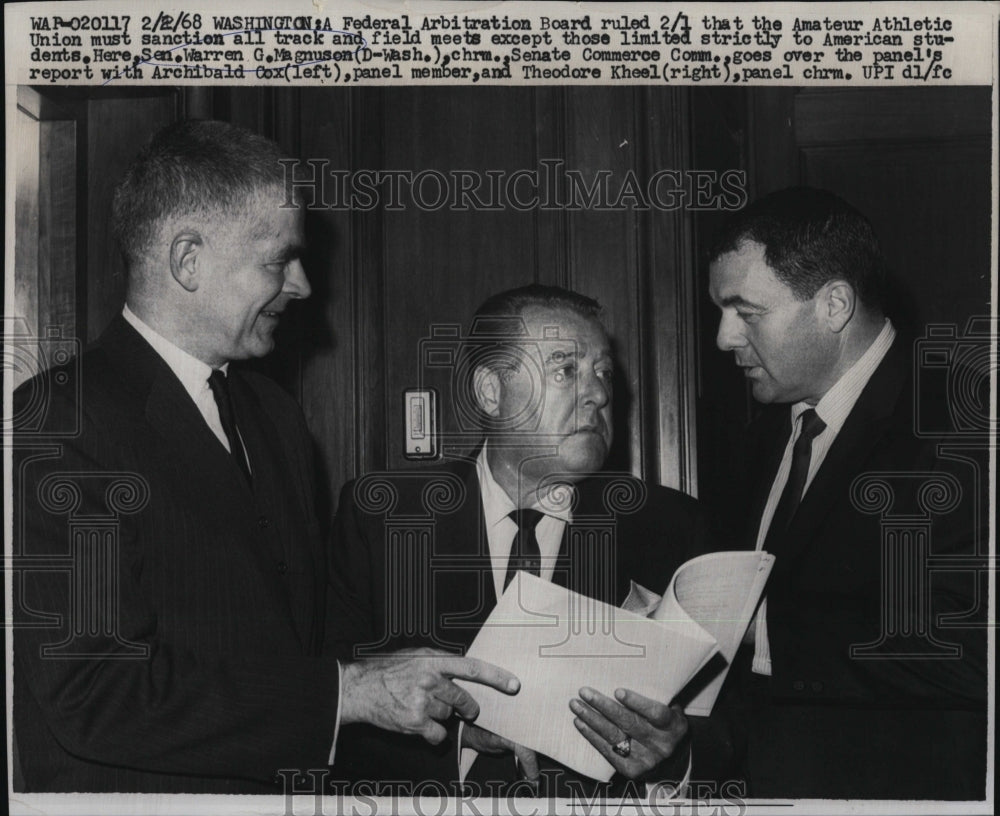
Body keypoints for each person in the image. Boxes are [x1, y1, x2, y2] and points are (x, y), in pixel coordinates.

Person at [12, 120, 520, 793]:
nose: (303, 285)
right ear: (187, 260)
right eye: (278, 260)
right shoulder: (57, 419)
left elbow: (299, 654)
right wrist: (351, 693)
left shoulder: (273, 418)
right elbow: (94, 690)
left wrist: (438, 705)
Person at [329, 285, 712, 799]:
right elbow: (330, 718)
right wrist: (463, 732)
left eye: (603, 373)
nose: (598, 394)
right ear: (491, 392)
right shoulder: (381, 519)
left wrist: (671, 763)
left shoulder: (668, 528)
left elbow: (724, 728)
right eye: (565, 369)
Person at [706, 187, 988, 799]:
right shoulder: (759, 441)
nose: (725, 338)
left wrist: (761, 628)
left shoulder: (965, 425)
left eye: (746, 312)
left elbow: (973, 647)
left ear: (834, 304)